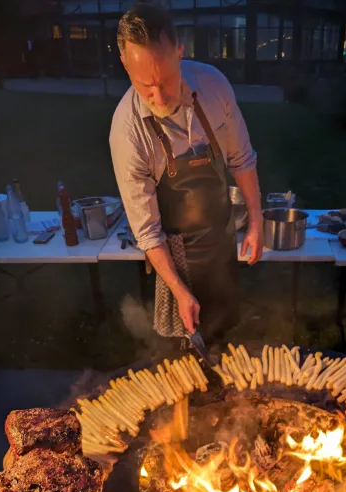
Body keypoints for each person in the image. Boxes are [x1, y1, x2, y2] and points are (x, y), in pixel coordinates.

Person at [110, 2, 263, 341]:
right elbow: (148, 233)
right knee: (186, 345)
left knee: (226, 330)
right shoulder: (127, 133)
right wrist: (179, 290)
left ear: (180, 53)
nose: (159, 95)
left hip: (222, 238)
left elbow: (241, 159)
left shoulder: (214, 86)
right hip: (175, 254)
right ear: (124, 64)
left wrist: (255, 221)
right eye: (144, 85)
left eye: (165, 80)